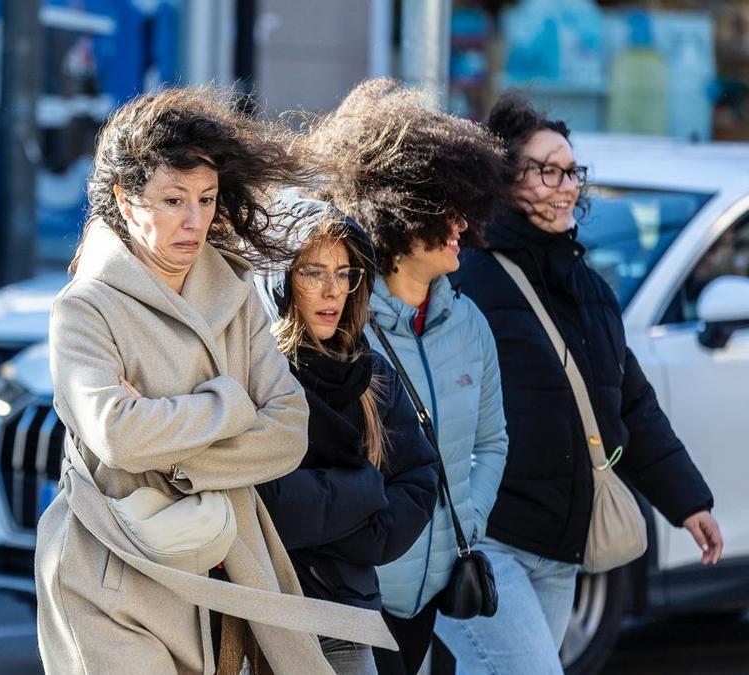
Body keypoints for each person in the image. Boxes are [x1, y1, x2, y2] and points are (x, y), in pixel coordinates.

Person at [36, 87, 394, 675]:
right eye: (173, 199)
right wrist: (230, 403)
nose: (194, 220)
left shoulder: (234, 291)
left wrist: (175, 456)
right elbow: (118, 437)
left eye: (206, 199)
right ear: (126, 201)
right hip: (113, 573)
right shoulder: (85, 307)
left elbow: (287, 430)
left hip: (225, 565)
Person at [435, 92, 723, 673]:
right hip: (486, 541)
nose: (566, 185)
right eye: (548, 170)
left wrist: (687, 501)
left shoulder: (589, 288)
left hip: (560, 547)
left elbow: (631, 403)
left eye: (572, 171)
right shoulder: (472, 281)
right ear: (504, 179)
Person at [306, 79, 510, 675]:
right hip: (358, 589)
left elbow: (492, 441)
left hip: (435, 586)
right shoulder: (341, 329)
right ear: (397, 211)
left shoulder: (469, 323)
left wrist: (464, 518)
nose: (460, 224)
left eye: (464, 206)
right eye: (442, 206)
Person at [254, 198, 439, 675]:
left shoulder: (372, 372)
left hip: (349, 615)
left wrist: (365, 537)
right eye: (313, 272)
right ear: (283, 278)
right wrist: (365, 489)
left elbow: (418, 478)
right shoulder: (258, 374)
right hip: (267, 615)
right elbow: (268, 503)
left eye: (345, 274)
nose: (332, 290)